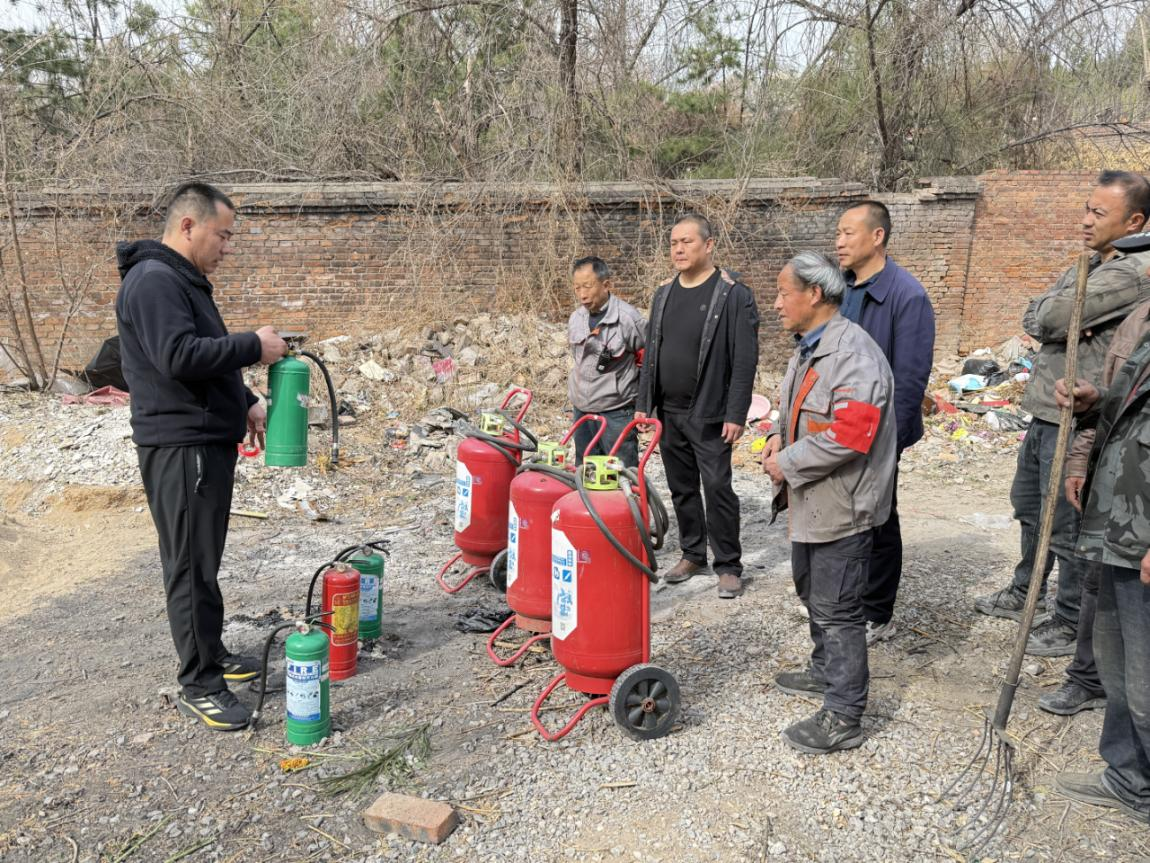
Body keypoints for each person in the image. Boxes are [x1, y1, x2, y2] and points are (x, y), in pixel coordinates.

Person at [116, 182, 288, 731]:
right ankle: (198, 683)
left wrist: (246, 401)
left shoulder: (183, 282)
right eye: (223, 234)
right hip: (180, 446)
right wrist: (252, 345)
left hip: (204, 441)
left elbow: (204, 362)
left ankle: (211, 653)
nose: (228, 247)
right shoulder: (154, 281)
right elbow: (178, 356)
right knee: (189, 566)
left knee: (203, 560)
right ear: (188, 226)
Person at [974, 171, 1150, 661]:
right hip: (1045, 413)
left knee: (1068, 523)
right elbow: (1035, 313)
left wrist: (1056, 316)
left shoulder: (1132, 272)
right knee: (1032, 509)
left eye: (1098, 212)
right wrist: (1054, 314)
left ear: (1134, 220)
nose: (1086, 220)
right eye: (1086, 209)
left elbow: (1052, 319)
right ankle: (1025, 589)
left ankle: (1069, 616)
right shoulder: (1092, 262)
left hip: (1077, 417)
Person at [763, 251, 897, 754]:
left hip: (844, 505)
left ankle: (844, 715)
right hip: (814, 500)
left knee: (839, 608)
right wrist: (780, 439)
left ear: (814, 295)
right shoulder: (811, 347)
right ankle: (824, 673)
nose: (777, 304)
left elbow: (850, 436)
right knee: (811, 588)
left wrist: (788, 463)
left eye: (783, 293)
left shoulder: (853, 356)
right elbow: (798, 412)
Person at [1052, 287, 1150, 823]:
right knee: (1119, 664)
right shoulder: (1146, 318)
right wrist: (1097, 403)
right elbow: (1129, 408)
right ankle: (1130, 776)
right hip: (1120, 521)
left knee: (1145, 674)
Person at [635, 214, 759, 598]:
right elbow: (651, 352)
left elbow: (744, 359)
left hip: (711, 411)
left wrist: (736, 413)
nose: (679, 249)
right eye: (674, 243)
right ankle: (693, 553)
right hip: (669, 413)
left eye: (687, 242)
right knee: (681, 487)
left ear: (709, 245)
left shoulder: (732, 294)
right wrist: (644, 404)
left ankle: (728, 565)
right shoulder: (664, 293)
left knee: (718, 486)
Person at [835, 200, 935, 644]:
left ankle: (876, 611)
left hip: (878, 430)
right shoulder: (841, 288)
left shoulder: (906, 296)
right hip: (837, 426)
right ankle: (844, 601)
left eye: (848, 233)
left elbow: (910, 379)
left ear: (877, 236)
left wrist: (885, 441)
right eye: (837, 233)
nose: (838, 242)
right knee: (841, 516)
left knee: (877, 516)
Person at [567, 256, 646, 467]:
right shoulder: (576, 318)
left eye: (588, 286)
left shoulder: (628, 319)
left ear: (606, 285)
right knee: (585, 469)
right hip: (582, 408)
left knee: (620, 473)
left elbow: (649, 360)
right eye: (577, 288)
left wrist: (646, 405)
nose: (582, 294)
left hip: (616, 410)